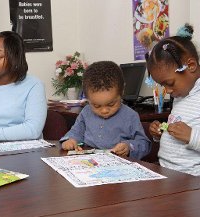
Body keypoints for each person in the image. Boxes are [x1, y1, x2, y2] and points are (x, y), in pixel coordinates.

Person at [60, 61, 151, 160]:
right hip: (88, 162)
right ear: (87, 98)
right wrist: (71, 140)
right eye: (96, 105)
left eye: (111, 104)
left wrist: (128, 147)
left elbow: (144, 143)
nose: (104, 111)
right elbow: (76, 132)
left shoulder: (130, 116)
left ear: (122, 91)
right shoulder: (86, 112)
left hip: (118, 164)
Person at [146, 23, 200, 176]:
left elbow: (189, 134)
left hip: (192, 178)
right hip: (167, 172)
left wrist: (192, 136)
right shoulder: (181, 94)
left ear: (190, 66)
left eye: (169, 83)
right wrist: (159, 133)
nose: (167, 90)